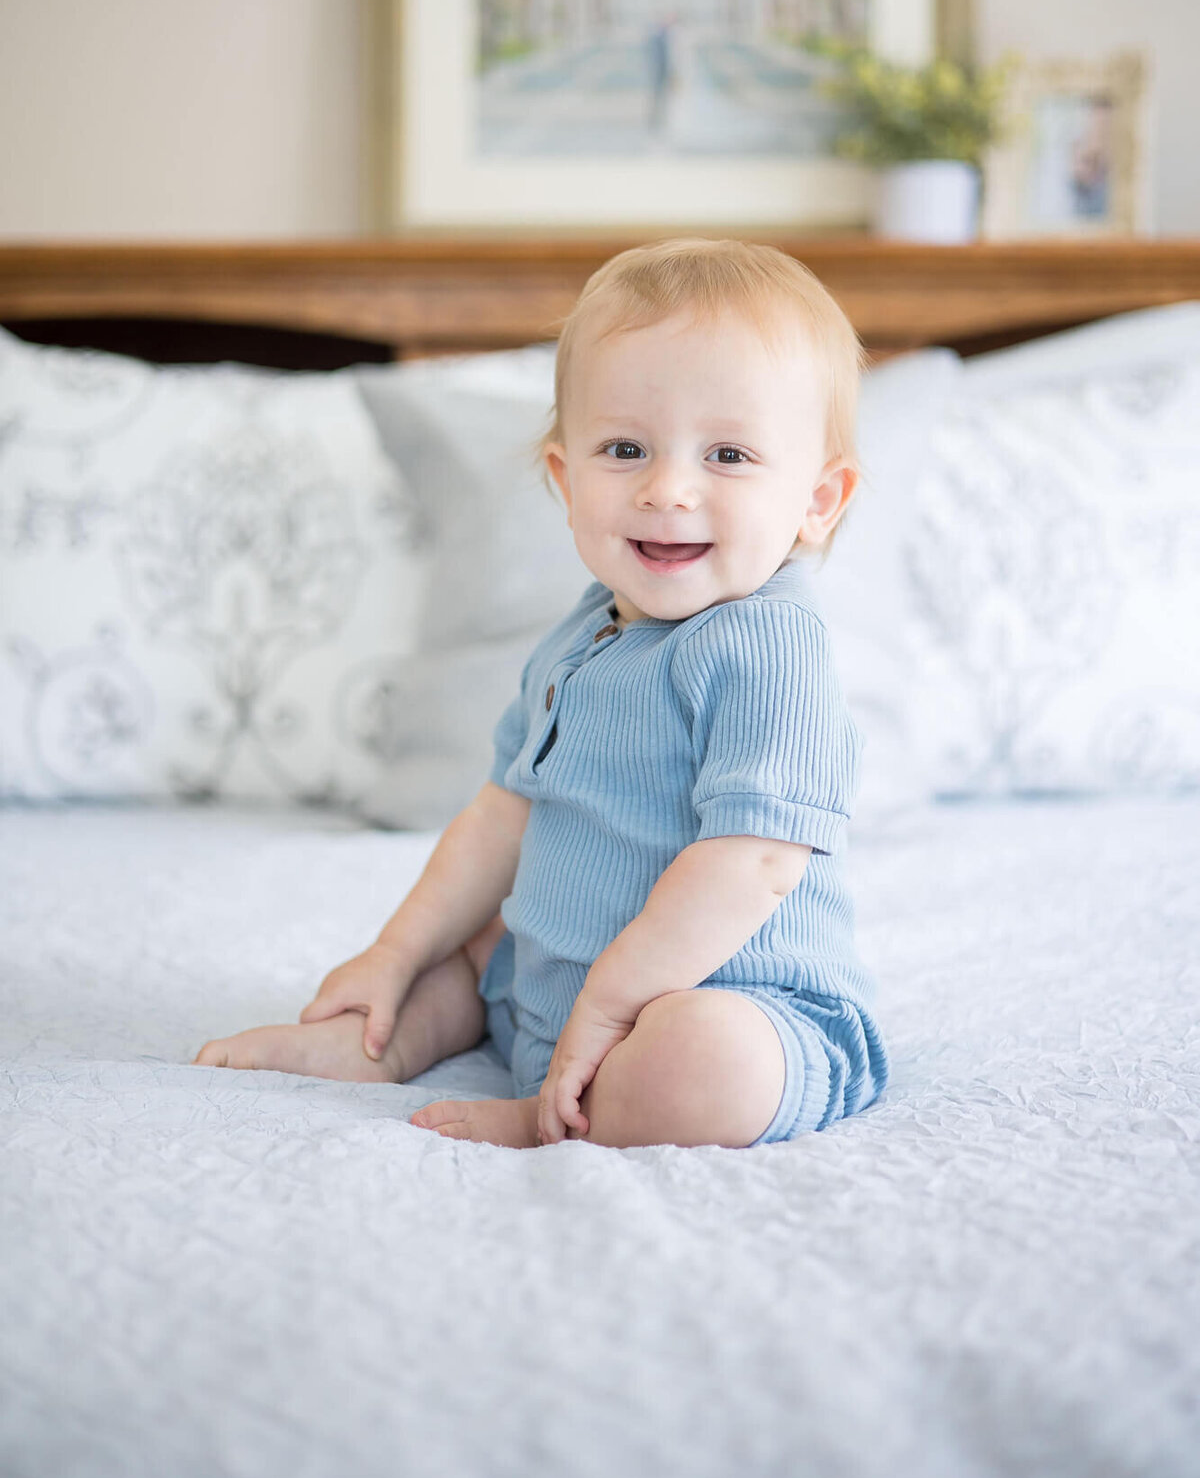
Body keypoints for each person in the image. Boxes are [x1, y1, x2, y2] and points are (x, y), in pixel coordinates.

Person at [193, 239, 889, 1150]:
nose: (667, 489)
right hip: (554, 995)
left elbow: (754, 862)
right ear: (566, 480)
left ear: (818, 500)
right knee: (469, 958)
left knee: (704, 1061)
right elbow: (501, 816)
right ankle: (375, 1039)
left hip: (736, 1001)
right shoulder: (589, 627)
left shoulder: (770, 646)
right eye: (625, 448)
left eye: (727, 454)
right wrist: (392, 954)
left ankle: (560, 1119)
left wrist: (612, 1002)